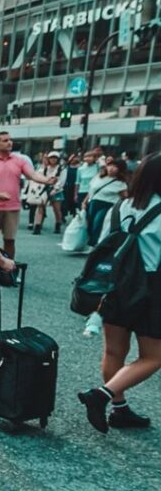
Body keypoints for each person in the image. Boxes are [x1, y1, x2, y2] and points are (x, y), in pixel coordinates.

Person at [78, 154, 161, 433]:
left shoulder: (121, 206)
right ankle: (102, 395)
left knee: (114, 350)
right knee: (154, 356)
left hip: (113, 286)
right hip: (150, 288)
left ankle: (119, 407)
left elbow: (104, 244)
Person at [0, 131, 57, 260]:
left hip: (12, 207)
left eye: (10, 140)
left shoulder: (19, 160)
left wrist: (46, 180)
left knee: (10, 240)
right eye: (5, 140)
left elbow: (32, 174)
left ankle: (9, 269)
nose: (9, 142)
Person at [84, 159, 129, 247]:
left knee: (98, 223)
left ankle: (94, 244)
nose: (111, 168)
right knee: (89, 223)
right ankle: (90, 242)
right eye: (110, 165)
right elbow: (91, 191)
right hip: (93, 202)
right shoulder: (98, 177)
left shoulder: (120, 183)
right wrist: (84, 202)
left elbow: (125, 197)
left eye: (115, 167)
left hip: (108, 204)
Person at [32, 151, 68, 235]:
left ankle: (58, 224)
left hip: (57, 190)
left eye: (55, 158)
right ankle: (37, 226)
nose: (53, 159)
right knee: (40, 208)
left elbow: (62, 180)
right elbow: (38, 177)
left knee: (56, 209)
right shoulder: (44, 168)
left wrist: (55, 189)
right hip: (44, 189)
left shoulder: (61, 168)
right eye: (51, 158)